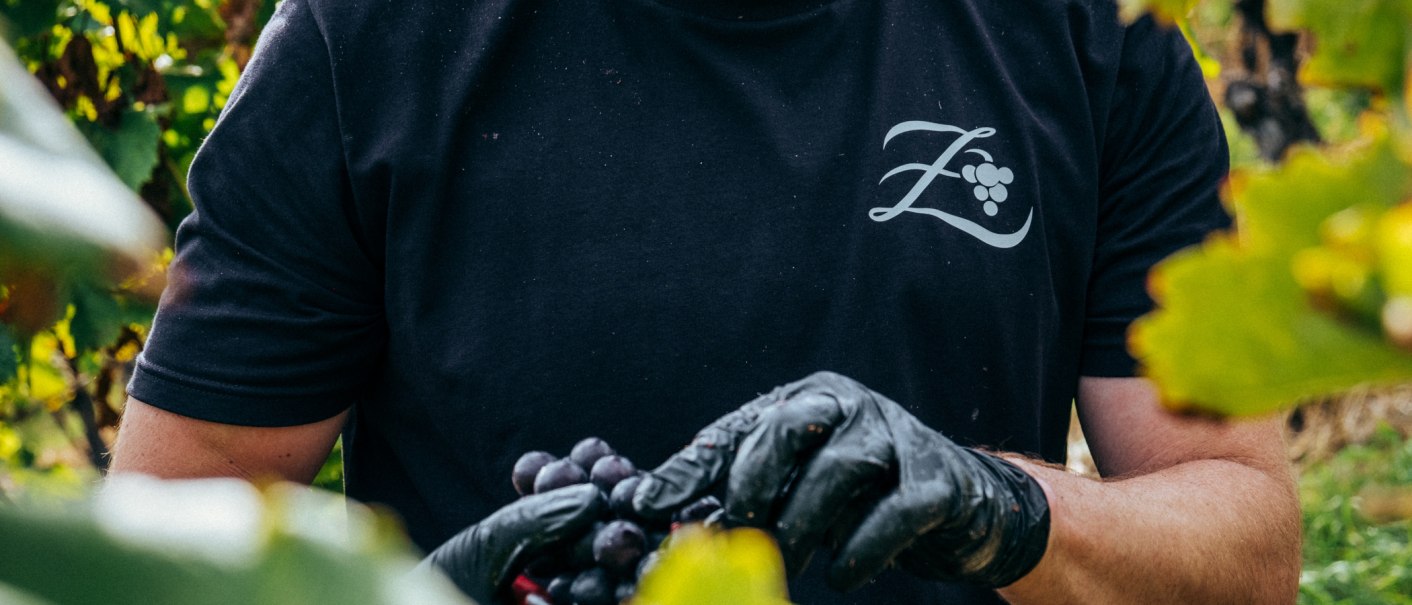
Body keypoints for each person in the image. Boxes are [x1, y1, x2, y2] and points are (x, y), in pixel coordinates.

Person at [109, 0, 1301, 603]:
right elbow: (147, 555)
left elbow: (1248, 545)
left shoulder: (1085, 37)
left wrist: (1001, 505)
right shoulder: (370, 39)